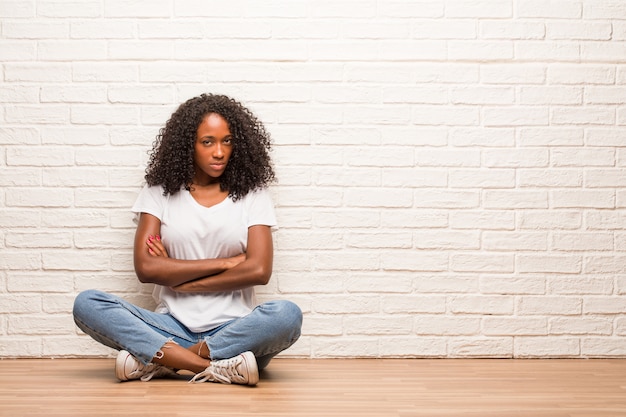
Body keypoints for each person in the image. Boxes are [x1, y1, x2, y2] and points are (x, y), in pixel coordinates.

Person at [73, 93, 303, 386]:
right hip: (171, 325)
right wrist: (228, 262)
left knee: (286, 315)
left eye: (227, 141)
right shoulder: (159, 193)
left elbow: (259, 270)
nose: (219, 152)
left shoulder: (253, 195)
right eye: (207, 142)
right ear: (188, 145)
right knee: (88, 303)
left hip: (235, 330)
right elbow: (146, 269)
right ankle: (214, 366)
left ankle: (163, 361)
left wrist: (176, 273)